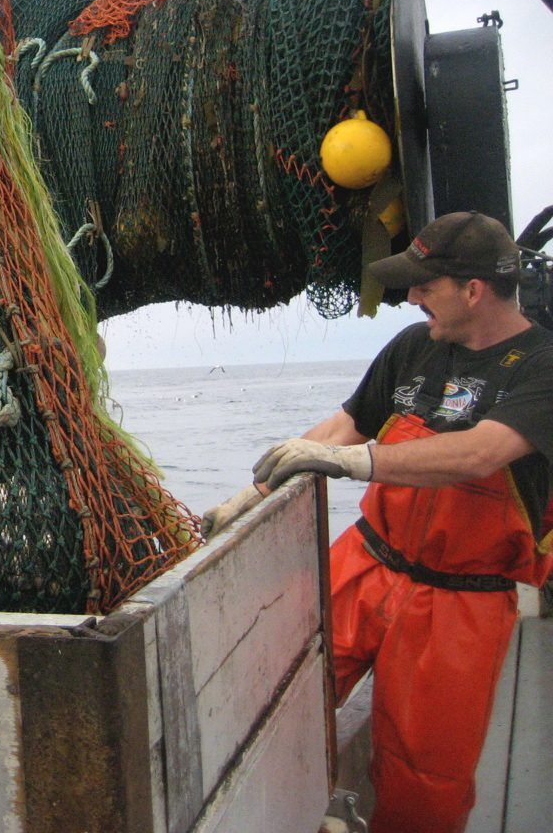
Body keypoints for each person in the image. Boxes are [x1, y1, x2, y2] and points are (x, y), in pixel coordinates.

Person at [206, 211, 553, 833]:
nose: (412, 297)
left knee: (427, 779)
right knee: (266, 694)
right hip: (365, 559)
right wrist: (248, 496)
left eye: (425, 286)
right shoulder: (416, 346)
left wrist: (351, 463)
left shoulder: (542, 367)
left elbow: (480, 453)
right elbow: (344, 426)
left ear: (472, 290)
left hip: (459, 601)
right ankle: (320, 801)